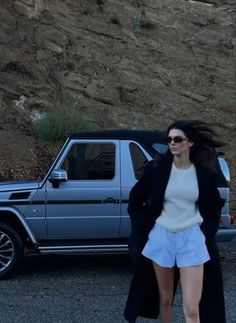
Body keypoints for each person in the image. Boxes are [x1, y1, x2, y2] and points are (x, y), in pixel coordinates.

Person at [124, 120, 226, 323]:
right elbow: (135, 199)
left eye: (177, 139)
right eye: (169, 139)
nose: (172, 143)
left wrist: (205, 232)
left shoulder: (204, 172)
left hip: (192, 239)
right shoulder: (158, 169)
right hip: (162, 237)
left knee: (192, 308)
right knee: (165, 299)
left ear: (190, 143)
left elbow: (214, 205)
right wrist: (147, 228)